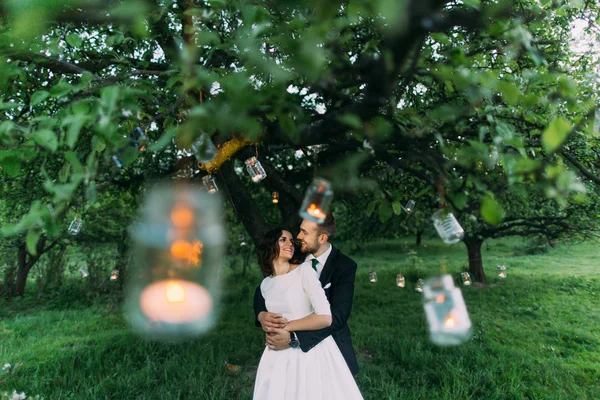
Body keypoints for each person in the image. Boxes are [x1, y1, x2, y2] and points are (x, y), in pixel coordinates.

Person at [252, 227, 362, 400]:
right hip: (276, 354)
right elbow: (260, 299)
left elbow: (328, 317)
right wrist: (261, 315)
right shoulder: (265, 284)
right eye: (283, 239)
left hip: (312, 350)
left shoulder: (304, 270)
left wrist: (286, 328)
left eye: (291, 240)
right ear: (269, 245)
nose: (291, 242)